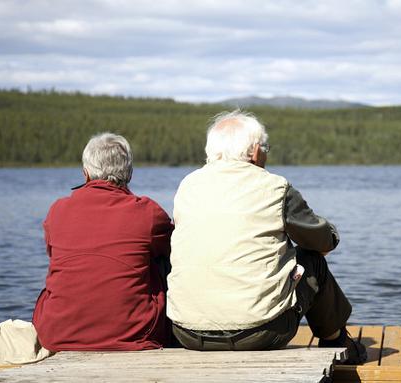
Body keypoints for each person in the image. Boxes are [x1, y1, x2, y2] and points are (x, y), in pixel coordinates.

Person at [167, 111, 366, 364]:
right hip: (260, 333)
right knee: (312, 260)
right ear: (254, 151)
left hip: (187, 333)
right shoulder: (274, 186)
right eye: (265, 147)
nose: (266, 153)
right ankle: (336, 340)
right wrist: (329, 238)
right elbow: (322, 240)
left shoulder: (187, 185)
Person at [32, 133, 174, 351]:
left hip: (56, 334)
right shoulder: (147, 212)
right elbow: (174, 248)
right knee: (164, 257)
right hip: (133, 335)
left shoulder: (58, 210)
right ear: (129, 173)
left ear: (85, 173)